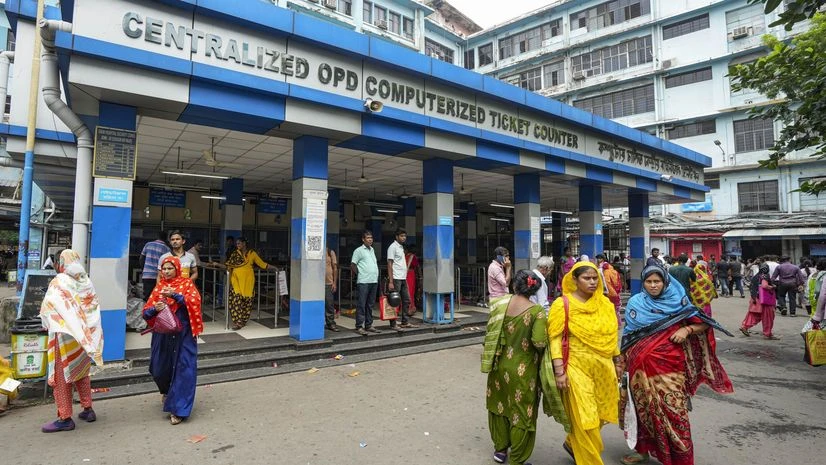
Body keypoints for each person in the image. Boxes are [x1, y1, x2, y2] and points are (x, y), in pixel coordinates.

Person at [619, 265, 733, 465]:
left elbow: (705, 323)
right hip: (637, 367)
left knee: (674, 412)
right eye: (649, 282)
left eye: (657, 281)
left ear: (665, 282)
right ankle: (642, 450)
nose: (653, 286)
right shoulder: (636, 303)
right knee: (641, 410)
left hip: (669, 368)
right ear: (643, 283)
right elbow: (628, 335)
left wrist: (687, 330)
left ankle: (682, 458)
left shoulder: (678, 302)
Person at [548, 262, 620, 465]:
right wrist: (559, 371)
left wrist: (617, 360)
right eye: (586, 278)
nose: (591, 282)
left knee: (599, 415)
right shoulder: (562, 304)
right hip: (576, 368)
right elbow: (555, 339)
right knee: (584, 416)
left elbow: (610, 334)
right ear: (574, 280)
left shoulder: (605, 304)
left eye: (595, 278)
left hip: (604, 368)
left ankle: (573, 443)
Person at [482, 270, 548, 465]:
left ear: (514, 286)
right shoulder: (537, 312)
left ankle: (500, 449)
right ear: (534, 289)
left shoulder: (499, 305)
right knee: (522, 410)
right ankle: (517, 458)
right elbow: (538, 342)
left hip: (499, 365)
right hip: (524, 369)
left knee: (498, 405)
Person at [39, 250, 104, 433]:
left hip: (64, 336)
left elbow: (48, 308)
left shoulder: (59, 281)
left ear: (61, 262)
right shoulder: (86, 281)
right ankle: (87, 409)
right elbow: (92, 308)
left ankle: (65, 417)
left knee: (62, 376)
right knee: (81, 372)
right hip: (84, 337)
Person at [142, 256, 203, 425]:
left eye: (170, 268)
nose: (167, 272)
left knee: (185, 370)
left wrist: (176, 296)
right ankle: (166, 391)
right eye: (164, 269)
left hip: (184, 334)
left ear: (177, 269)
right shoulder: (159, 288)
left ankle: (179, 410)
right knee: (158, 368)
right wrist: (156, 308)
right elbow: (145, 312)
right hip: (163, 335)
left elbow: (195, 303)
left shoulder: (187, 284)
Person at [225, 237, 277, 330]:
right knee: (236, 300)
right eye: (237, 244)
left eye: (239, 243)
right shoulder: (235, 254)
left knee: (247, 302)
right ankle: (238, 322)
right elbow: (228, 265)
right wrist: (216, 265)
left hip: (248, 281)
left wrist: (274, 268)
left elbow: (262, 264)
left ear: (244, 243)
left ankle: (243, 320)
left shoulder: (252, 254)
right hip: (236, 280)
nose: (237, 245)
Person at [387, 228, 417, 329]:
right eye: (401, 236)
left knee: (407, 300)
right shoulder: (392, 247)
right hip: (396, 278)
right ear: (396, 237)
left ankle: (404, 321)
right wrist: (391, 281)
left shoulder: (401, 248)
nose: (404, 238)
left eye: (405, 236)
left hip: (403, 278)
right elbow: (389, 264)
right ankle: (393, 323)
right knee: (395, 301)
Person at [351, 230, 380, 335]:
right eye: (368, 238)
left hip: (373, 281)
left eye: (371, 238)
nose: (370, 240)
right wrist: (360, 274)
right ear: (363, 239)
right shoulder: (358, 251)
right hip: (363, 281)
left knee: (370, 304)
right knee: (361, 304)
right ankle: (359, 326)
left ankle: (369, 325)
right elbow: (353, 265)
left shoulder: (372, 250)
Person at [740, 264, 779, 339]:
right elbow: (764, 286)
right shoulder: (765, 276)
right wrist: (772, 287)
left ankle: (744, 326)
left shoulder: (756, 276)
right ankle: (767, 333)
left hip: (755, 299)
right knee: (768, 317)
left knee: (754, 315)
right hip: (764, 300)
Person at [140, 231, 170, 301]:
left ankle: (147, 311)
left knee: (147, 297)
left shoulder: (148, 244)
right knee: (157, 297)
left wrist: (144, 269)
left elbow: (141, 258)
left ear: (157, 236)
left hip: (147, 275)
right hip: (159, 277)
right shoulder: (166, 249)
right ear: (166, 238)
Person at [601, 261, 623, 327]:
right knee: (617, 310)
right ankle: (619, 324)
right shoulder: (615, 272)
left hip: (610, 294)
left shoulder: (605, 273)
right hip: (617, 293)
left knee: (610, 310)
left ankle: (613, 324)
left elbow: (606, 284)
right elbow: (619, 282)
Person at [325, 246, 339, 332]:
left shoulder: (330, 252)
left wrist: (334, 283)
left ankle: (330, 324)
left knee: (329, 305)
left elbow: (335, 268)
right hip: (315, 284)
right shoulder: (314, 252)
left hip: (328, 283)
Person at [404, 245, 420, 314]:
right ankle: (410, 308)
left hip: (404, 274)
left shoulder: (405, 256)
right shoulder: (412, 257)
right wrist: (420, 277)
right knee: (411, 291)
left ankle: (403, 309)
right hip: (410, 274)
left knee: (406, 291)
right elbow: (417, 267)